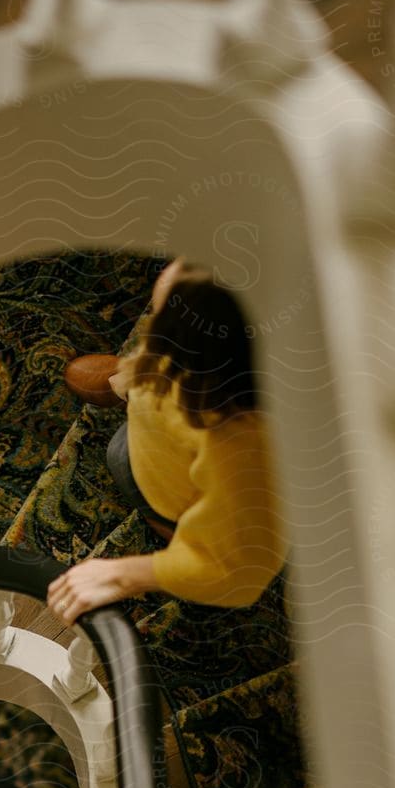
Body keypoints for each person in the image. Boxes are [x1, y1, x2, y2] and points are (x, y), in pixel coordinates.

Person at [47, 260, 285, 624]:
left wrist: (123, 574)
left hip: (179, 493)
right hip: (164, 434)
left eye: (166, 326)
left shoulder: (245, 454)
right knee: (123, 448)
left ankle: (172, 530)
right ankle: (131, 385)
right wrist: (137, 376)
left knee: (123, 463)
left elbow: (238, 571)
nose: (169, 271)